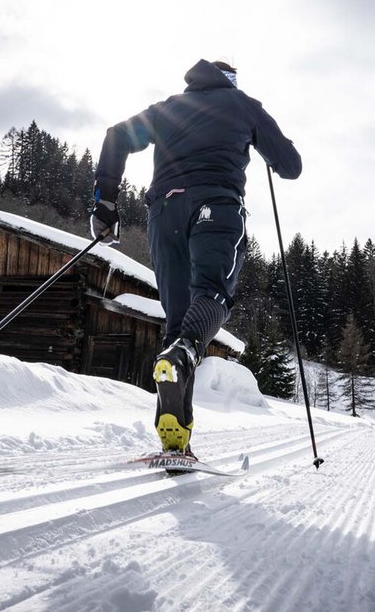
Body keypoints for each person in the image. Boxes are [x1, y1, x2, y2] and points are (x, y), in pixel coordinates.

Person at [90, 59, 302, 456]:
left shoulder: (167, 107)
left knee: (178, 324)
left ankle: (176, 441)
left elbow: (117, 134)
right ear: (230, 81)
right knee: (213, 294)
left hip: (163, 213)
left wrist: (105, 201)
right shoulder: (242, 104)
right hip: (215, 205)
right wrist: (270, 150)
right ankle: (186, 352)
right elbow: (291, 167)